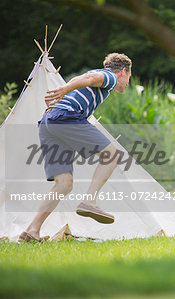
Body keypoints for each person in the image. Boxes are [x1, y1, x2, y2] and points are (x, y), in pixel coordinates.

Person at [18, 53, 132, 242]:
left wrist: (65, 91)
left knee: (64, 183)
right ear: (123, 72)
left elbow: (86, 79)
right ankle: (89, 201)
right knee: (111, 154)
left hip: (49, 122)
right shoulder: (110, 76)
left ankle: (32, 231)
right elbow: (88, 78)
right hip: (66, 117)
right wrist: (64, 89)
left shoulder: (101, 79)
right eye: (129, 77)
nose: (128, 82)